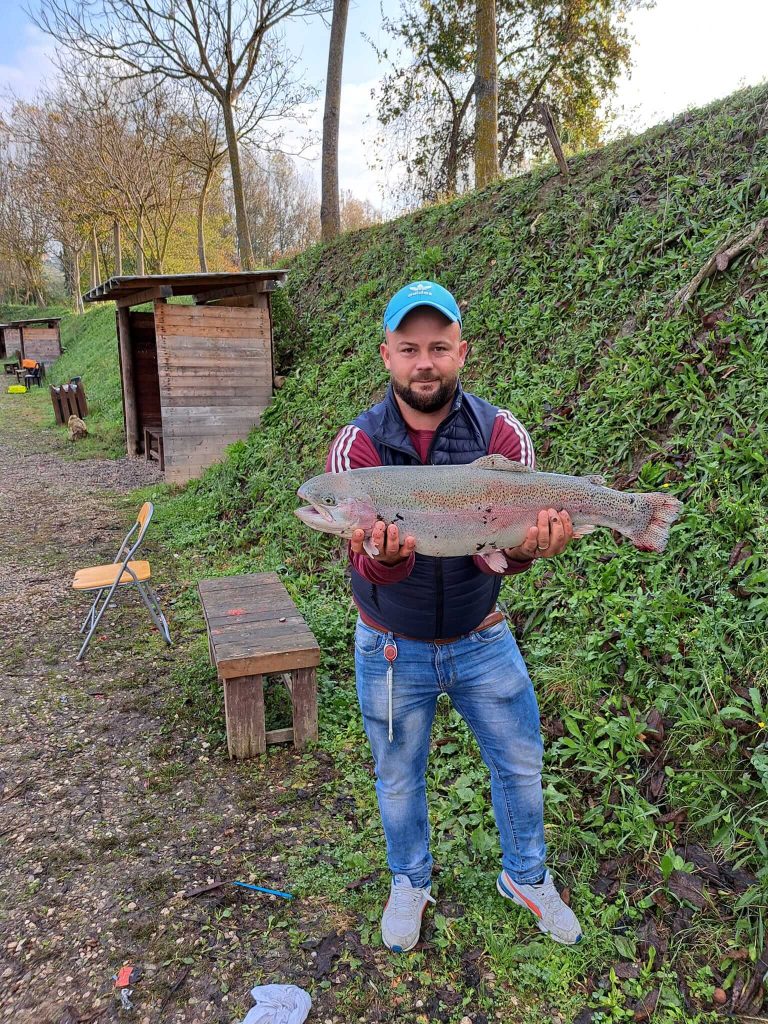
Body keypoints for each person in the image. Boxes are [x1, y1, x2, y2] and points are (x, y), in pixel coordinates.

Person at [325, 280, 582, 952]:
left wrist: (526, 551)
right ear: (386, 355)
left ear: (461, 351)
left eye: (439, 347)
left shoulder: (501, 434)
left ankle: (527, 876)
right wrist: (384, 559)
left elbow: (498, 555)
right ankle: (409, 880)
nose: (425, 362)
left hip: (480, 636)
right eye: (409, 348)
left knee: (521, 764)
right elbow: (361, 567)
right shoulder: (356, 452)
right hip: (388, 645)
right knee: (398, 775)